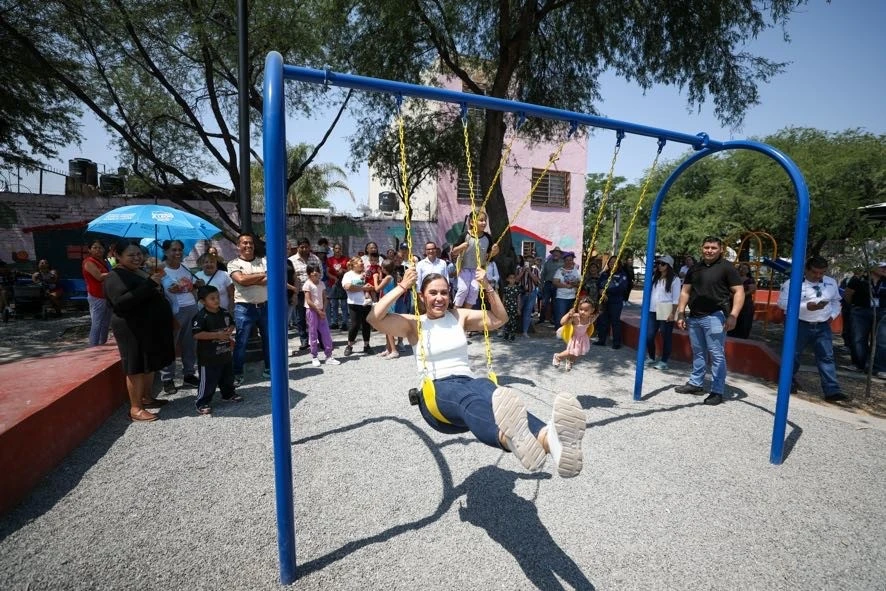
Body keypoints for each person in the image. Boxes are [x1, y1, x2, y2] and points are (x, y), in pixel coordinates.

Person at [367, 267, 587, 478]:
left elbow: (499, 319)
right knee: (469, 398)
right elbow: (374, 318)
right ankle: (509, 439)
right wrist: (403, 286)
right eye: (433, 293)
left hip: (467, 379)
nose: (439, 298)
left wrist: (488, 287)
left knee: (491, 391)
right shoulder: (414, 324)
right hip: (436, 391)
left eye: (444, 292)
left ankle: (553, 442)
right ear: (422, 297)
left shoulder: (458, 316)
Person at [103, 240, 175, 422]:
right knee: (135, 366)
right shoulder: (115, 276)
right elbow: (122, 302)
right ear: (118, 256)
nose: (136, 258)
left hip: (147, 327)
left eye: (138, 254)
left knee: (148, 363)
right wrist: (149, 284)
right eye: (131, 255)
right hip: (131, 328)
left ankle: (147, 397)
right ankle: (135, 408)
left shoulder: (138, 272)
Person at [674, 236, 745, 406]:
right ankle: (696, 383)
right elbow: (685, 292)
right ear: (702, 248)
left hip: (715, 316)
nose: (709, 250)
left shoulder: (727, 268)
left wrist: (733, 315)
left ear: (720, 249)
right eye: (706, 247)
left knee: (717, 354)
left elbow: (739, 292)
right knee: (698, 352)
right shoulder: (695, 268)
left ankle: (717, 391)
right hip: (695, 317)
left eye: (713, 248)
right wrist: (681, 313)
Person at [777, 256, 847, 401]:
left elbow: (836, 301)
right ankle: (787, 383)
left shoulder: (830, 283)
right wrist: (805, 306)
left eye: (821, 273)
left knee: (826, 357)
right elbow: (782, 304)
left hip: (822, 325)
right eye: (814, 272)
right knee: (793, 355)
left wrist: (832, 316)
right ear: (806, 270)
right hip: (799, 324)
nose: (818, 276)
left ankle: (832, 390)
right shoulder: (793, 283)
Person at [228, 233, 270, 386]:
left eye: (250, 243)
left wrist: (250, 277)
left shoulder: (263, 261)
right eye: (244, 243)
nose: (248, 245)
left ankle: (269, 369)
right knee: (241, 342)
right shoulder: (233, 263)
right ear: (239, 246)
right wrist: (260, 276)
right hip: (244, 308)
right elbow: (241, 280)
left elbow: (269, 279)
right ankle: (237, 373)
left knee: (268, 340)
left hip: (264, 306)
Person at [192, 285, 242, 414]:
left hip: (224, 352)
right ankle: (202, 402)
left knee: (227, 376)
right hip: (208, 356)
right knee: (208, 380)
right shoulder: (201, 316)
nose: (216, 300)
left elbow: (231, 323)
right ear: (203, 301)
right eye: (212, 298)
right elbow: (197, 334)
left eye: (217, 297)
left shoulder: (224, 312)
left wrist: (229, 331)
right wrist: (216, 335)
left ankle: (228, 394)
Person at [157, 239, 199, 394]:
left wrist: (197, 284)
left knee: (190, 344)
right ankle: (167, 378)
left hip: (191, 308)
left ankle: (189, 374)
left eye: (180, 249)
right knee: (170, 345)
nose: (177, 253)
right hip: (174, 311)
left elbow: (192, 285)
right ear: (166, 252)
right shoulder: (161, 270)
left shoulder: (185, 267)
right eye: (174, 250)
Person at [844, 261, 886, 378]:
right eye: (882, 266)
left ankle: (880, 368)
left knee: (881, 341)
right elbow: (848, 294)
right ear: (872, 267)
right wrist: (855, 306)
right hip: (860, 311)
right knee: (858, 338)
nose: (884, 269)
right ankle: (859, 364)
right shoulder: (859, 279)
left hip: (882, 312)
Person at [450, 210, 499, 309]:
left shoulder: (487, 237)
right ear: (472, 222)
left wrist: (495, 251)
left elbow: (490, 256)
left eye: (485, 220)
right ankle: (456, 310)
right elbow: (454, 252)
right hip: (464, 267)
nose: (484, 223)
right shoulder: (465, 235)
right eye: (481, 220)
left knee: (475, 290)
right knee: (463, 289)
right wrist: (461, 247)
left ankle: (466, 311)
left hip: (477, 269)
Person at [645, 255, 681, 370]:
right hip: (652, 309)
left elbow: (676, 298)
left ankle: (664, 361)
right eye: (658, 263)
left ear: (669, 266)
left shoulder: (675, 279)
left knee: (666, 336)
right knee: (649, 336)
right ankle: (651, 357)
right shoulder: (654, 277)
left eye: (663, 264)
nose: (659, 266)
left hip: (666, 309)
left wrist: (672, 313)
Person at [303, 263, 340, 367]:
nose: (316, 276)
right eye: (314, 274)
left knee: (326, 333)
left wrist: (323, 310)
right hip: (312, 311)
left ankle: (329, 356)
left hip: (321, 310)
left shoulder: (322, 284)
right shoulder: (307, 284)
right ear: (309, 274)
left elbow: (324, 298)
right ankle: (314, 356)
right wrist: (318, 311)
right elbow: (309, 300)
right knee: (313, 333)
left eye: (318, 273)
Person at [288, 238, 322, 351]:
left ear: (309, 247)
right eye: (302, 247)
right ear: (298, 247)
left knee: (316, 315)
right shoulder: (291, 260)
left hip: (314, 291)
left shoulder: (315, 258)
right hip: (300, 292)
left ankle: (320, 339)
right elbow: (291, 277)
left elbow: (321, 273)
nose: (304, 249)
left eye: (306, 247)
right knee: (300, 317)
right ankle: (304, 340)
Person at [341, 256, 375, 356]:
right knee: (355, 325)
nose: (362, 263)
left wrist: (370, 287)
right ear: (354, 264)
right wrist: (362, 287)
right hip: (354, 303)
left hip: (366, 302)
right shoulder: (348, 275)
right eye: (360, 262)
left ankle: (366, 345)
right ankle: (349, 345)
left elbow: (372, 285)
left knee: (366, 325)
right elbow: (348, 287)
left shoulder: (366, 274)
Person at [553, 298, 599, 372]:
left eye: (586, 310)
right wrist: (569, 314)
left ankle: (570, 361)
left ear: (592, 311)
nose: (582, 312)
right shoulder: (575, 317)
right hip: (574, 337)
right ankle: (558, 356)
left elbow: (597, 314)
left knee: (579, 352)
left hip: (583, 338)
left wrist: (598, 308)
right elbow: (562, 322)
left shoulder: (590, 318)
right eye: (580, 309)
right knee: (570, 351)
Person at [594, 256, 630, 349]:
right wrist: (601, 291)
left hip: (616, 301)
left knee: (615, 321)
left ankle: (616, 343)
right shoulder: (604, 274)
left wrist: (606, 290)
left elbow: (621, 287)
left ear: (618, 264)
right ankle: (601, 340)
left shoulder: (623, 275)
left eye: (614, 262)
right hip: (604, 301)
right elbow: (599, 284)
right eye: (610, 262)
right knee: (602, 320)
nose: (612, 264)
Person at [81, 240, 112, 346]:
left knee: (106, 323)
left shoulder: (105, 261)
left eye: (100, 247)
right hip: (96, 295)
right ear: (89, 249)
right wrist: (115, 272)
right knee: (97, 322)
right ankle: (93, 346)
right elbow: (99, 277)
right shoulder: (88, 261)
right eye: (94, 247)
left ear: (104, 249)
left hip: (107, 295)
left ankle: (102, 343)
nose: (98, 250)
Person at [375, 260, 400, 358]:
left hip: (388, 303)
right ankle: (388, 349)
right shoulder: (391, 276)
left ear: (384, 269)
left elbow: (377, 289)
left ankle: (394, 350)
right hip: (389, 302)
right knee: (386, 327)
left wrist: (375, 277)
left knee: (388, 328)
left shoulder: (388, 277)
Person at [551, 252, 581, 328]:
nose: (568, 262)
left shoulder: (576, 271)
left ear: (573, 261)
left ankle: (568, 333)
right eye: (567, 260)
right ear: (564, 261)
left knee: (571, 316)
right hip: (561, 297)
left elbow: (580, 283)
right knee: (560, 316)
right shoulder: (559, 270)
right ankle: (559, 332)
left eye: (570, 260)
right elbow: (555, 282)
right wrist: (566, 286)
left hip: (573, 297)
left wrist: (575, 284)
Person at [728, 262, 757, 339]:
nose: (742, 270)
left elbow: (751, 290)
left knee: (744, 322)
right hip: (732, 303)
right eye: (740, 268)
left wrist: (738, 295)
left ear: (748, 270)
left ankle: (742, 337)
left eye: (744, 268)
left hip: (746, 304)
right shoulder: (734, 279)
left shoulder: (750, 280)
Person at [326, 243, 350, 331]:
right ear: (333, 250)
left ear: (341, 250)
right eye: (336, 248)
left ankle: (344, 323)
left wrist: (342, 270)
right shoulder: (330, 260)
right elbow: (327, 272)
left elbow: (349, 270)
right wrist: (334, 277)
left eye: (339, 248)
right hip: (333, 284)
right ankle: (334, 322)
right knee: (334, 304)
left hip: (343, 284)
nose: (337, 250)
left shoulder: (346, 259)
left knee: (344, 305)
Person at [538, 247, 563, 325]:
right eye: (554, 252)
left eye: (557, 252)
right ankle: (541, 319)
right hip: (548, 284)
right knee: (544, 302)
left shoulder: (563, 263)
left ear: (560, 254)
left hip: (558, 285)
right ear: (552, 254)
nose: (555, 254)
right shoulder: (548, 262)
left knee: (555, 303)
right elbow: (543, 274)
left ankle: (553, 319)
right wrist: (541, 285)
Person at [516, 255, 540, 337]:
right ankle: (510, 329)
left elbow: (537, 281)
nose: (529, 263)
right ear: (525, 261)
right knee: (516, 310)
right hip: (521, 293)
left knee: (528, 312)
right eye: (527, 261)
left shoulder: (535, 270)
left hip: (531, 293)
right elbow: (516, 280)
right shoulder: (519, 269)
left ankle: (525, 332)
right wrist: (523, 272)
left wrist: (529, 272)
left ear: (533, 262)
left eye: (530, 261)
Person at [500, 272, 521, 341]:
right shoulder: (506, 288)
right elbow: (504, 297)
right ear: (507, 279)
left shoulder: (517, 288)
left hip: (514, 307)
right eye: (510, 278)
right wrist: (503, 306)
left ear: (515, 279)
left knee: (513, 321)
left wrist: (518, 308)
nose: (512, 280)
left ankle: (512, 336)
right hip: (507, 307)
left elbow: (518, 298)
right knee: (506, 321)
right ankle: (506, 334)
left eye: (513, 278)